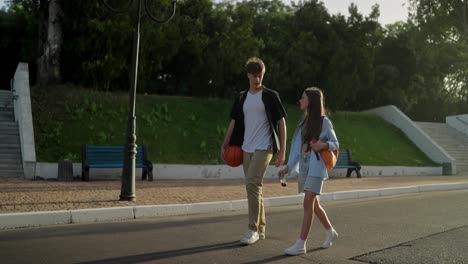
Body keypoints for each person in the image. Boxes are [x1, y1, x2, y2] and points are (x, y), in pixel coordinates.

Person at [221, 57, 287, 245]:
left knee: (251, 182)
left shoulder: (270, 96)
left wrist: (282, 150)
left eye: (260, 76)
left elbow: (281, 122)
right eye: (254, 76)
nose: (258, 79)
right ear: (248, 75)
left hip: (264, 147)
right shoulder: (242, 97)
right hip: (246, 147)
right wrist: (225, 143)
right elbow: (233, 121)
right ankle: (262, 228)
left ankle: (252, 229)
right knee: (255, 187)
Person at [278, 87, 339, 255]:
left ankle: (301, 244)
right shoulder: (303, 123)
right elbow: (297, 150)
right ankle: (331, 232)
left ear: (310, 101)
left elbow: (335, 143)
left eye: (303, 98)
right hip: (305, 167)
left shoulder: (324, 121)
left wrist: (324, 145)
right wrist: (287, 168)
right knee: (315, 204)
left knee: (307, 203)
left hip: (316, 168)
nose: (300, 100)